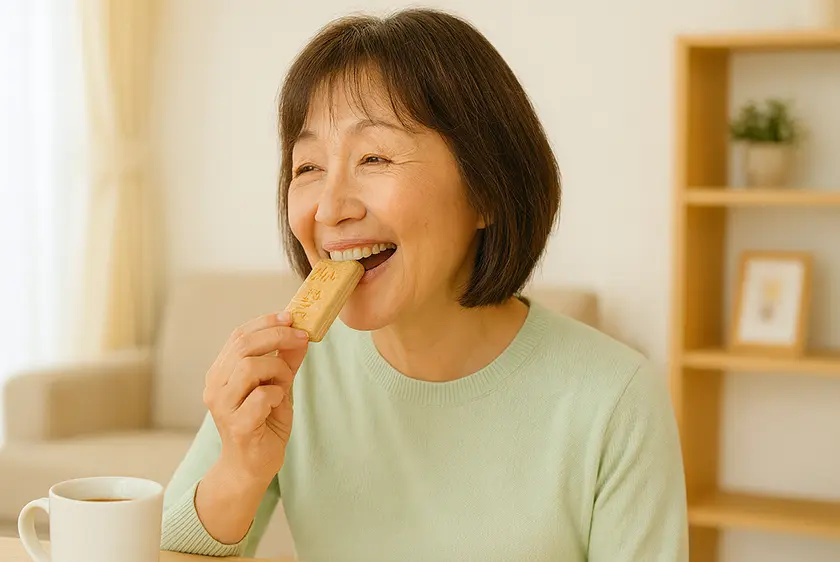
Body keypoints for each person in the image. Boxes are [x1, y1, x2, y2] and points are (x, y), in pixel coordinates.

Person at [159, 8, 688, 562]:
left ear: (487, 190)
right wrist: (239, 471)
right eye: (308, 167)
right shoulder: (287, 375)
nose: (330, 209)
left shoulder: (615, 400)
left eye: (374, 157)